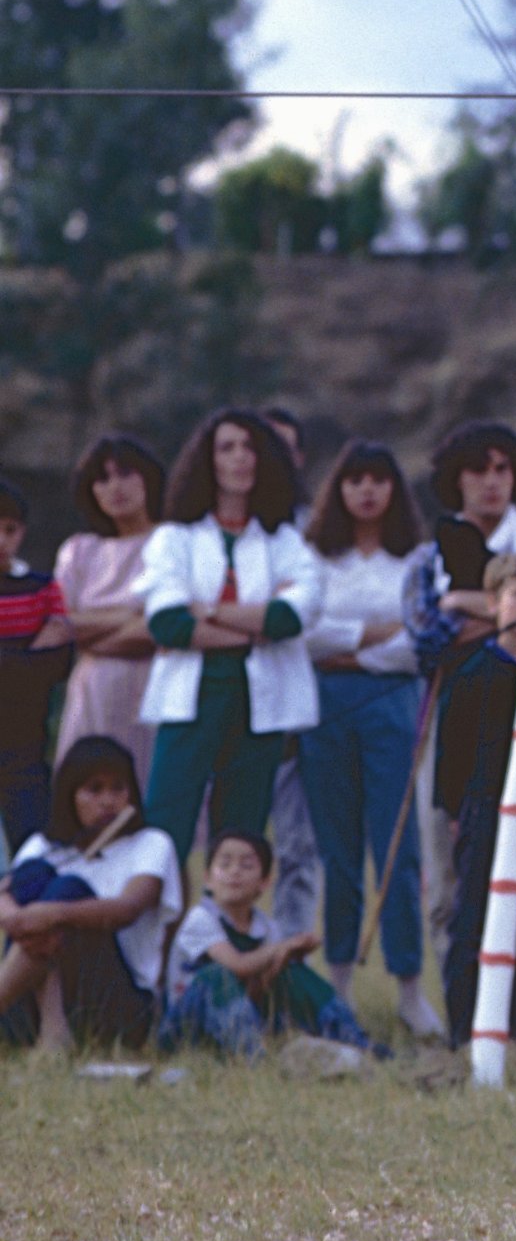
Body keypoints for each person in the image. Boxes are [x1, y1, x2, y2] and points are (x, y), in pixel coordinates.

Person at [299, 440, 441, 1039]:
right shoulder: (314, 558)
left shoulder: (417, 559)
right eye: (354, 479)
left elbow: (417, 640)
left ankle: (409, 987)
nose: (366, 491)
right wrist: (372, 635)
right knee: (338, 851)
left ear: (393, 491)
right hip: (325, 708)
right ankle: (338, 987)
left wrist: (348, 643)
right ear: (339, 488)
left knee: (397, 849)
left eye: (378, 480)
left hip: (393, 706)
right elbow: (304, 637)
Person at [140, 410, 324, 863]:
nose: (240, 458)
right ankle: (159, 933)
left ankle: (223, 932)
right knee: (165, 832)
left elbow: (291, 619)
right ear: (208, 460)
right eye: (227, 448)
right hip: (191, 701)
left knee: (240, 839)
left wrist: (211, 612)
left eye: (250, 448)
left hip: (259, 706)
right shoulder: (174, 539)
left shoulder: (286, 542)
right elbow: (169, 624)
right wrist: (252, 625)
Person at [402, 420, 516, 972]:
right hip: (451, 716)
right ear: (455, 480)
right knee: (446, 856)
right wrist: (502, 613)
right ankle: (459, 991)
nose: (491, 482)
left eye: (502, 469)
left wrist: (462, 601)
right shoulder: (428, 557)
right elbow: (428, 637)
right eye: (478, 470)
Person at [0, 734, 181, 1050]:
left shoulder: (151, 843)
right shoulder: (43, 846)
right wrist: (18, 918)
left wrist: (54, 913)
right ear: (71, 795)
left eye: (118, 788)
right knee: (33, 876)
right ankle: (52, 1027)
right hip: (27, 1009)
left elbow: (128, 908)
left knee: (67, 890)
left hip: (115, 1008)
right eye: (94, 789)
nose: (108, 800)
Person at [441, 551, 516, 1048]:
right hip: (482, 808)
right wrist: (456, 807)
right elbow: (452, 750)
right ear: (494, 602)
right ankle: (465, 1026)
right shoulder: (474, 672)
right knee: (473, 916)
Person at [162, 828, 370, 1061]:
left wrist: (284, 959)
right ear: (208, 879)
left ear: (264, 883)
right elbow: (237, 965)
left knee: (296, 974)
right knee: (217, 976)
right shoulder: (200, 918)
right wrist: (281, 949)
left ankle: (354, 1040)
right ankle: (253, 1056)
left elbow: (257, 989)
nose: (235, 872)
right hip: (186, 1025)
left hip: (239, 1016)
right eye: (225, 864)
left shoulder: (267, 927)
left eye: (247, 866)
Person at [53, 434, 165, 785]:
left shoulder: (170, 543)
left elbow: (161, 625)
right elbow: (59, 623)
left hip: (154, 688)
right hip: (93, 692)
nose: (115, 487)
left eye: (126, 473)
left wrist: (91, 634)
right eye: (103, 478)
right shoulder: (80, 550)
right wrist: (129, 615)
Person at [259, 405, 324, 942]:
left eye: (287, 447)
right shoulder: (211, 531)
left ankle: (288, 956)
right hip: (231, 699)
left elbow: (315, 616)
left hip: (301, 702)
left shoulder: (317, 529)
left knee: (298, 844)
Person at [0, 476, 73, 862]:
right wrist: (27, 655)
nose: (0, 540)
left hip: (26, 743)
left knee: (31, 848)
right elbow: (38, 660)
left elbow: (58, 660)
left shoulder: (41, 587)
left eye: (8, 530)